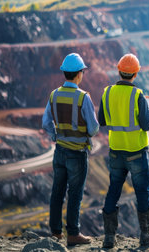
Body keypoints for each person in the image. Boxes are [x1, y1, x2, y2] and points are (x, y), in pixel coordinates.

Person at [98, 53, 149, 248]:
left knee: (113, 190)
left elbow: (102, 121)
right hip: (136, 152)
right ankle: (146, 234)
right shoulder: (137, 95)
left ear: (119, 71)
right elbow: (145, 125)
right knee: (142, 192)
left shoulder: (107, 92)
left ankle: (109, 237)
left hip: (116, 151)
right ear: (135, 74)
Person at [42, 53, 99, 246]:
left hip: (60, 152)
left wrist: (55, 136)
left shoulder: (54, 94)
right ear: (79, 74)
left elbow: (46, 122)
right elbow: (93, 129)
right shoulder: (83, 98)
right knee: (75, 193)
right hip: (77, 154)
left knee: (57, 191)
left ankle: (55, 233)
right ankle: (73, 234)